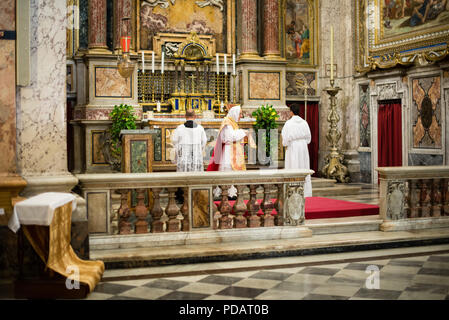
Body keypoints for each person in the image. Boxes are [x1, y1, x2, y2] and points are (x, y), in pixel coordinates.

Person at [207, 105, 248, 198]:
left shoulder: (232, 122)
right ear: (235, 113)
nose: (241, 116)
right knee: (228, 169)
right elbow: (230, 138)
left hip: (233, 150)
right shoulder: (227, 123)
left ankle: (232, 192)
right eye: (240, 113)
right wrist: (243, 132)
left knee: (232, 171)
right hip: (228, 151)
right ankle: (226, 192)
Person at [281, 103, 312, 197]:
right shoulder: (304, 122)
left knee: (293, 166)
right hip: (303, 146)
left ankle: (292, 191)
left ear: (291, 112)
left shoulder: (289, 123)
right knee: (303, 166)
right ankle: (305, 192)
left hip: (293, 146)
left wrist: (285, 144)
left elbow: (285, 137)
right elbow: (308, 138)